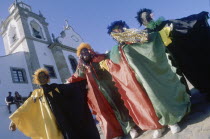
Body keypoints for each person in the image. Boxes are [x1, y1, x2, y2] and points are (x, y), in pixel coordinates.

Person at [105, 20, 191, 138]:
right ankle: (158, 125)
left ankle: (170, 121)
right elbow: (112, 64)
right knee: (144, 102)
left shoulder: (135, 36)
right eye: (115, 32)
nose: (118, 32)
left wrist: (163, 31)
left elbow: (154, 39)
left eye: (120, 28)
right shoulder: (115, 50)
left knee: (156, 96)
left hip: (147, 75)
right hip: (133, 81)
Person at [67, 43, 140, 139]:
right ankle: (116, 133)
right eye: (82, 52)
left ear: (90, 50)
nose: (84, 53)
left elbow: (109, 58)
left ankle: (131, 128)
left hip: (110, 88)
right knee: (105, 113)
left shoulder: (99, 58)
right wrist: (67, 82)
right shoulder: (81, 68)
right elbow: (76, 77)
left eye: (86, 50)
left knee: (119, 107)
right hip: (98, 94)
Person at [136, 8, 210, 95]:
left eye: (149, 14)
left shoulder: (163, 23)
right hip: (164, 60)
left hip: (179, 53)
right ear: (142, 21)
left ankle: (206, 89)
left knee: (192, 68)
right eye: (146, 17)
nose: (149, 17)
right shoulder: (146, 34)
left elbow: (182, 23)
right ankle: (184, 99)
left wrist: (198, 17)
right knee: (175, 78)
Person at [9, 68, 100, 139]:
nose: (42, 78)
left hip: (64, 120)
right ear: (37, 79)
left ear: (47, 78)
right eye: (40, 77)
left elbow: (72, 88)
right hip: (51, 124)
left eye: (44, 76)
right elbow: (25, 106)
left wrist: (85, 83)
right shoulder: (36, 94)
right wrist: (14, 121)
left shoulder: (56, 87)